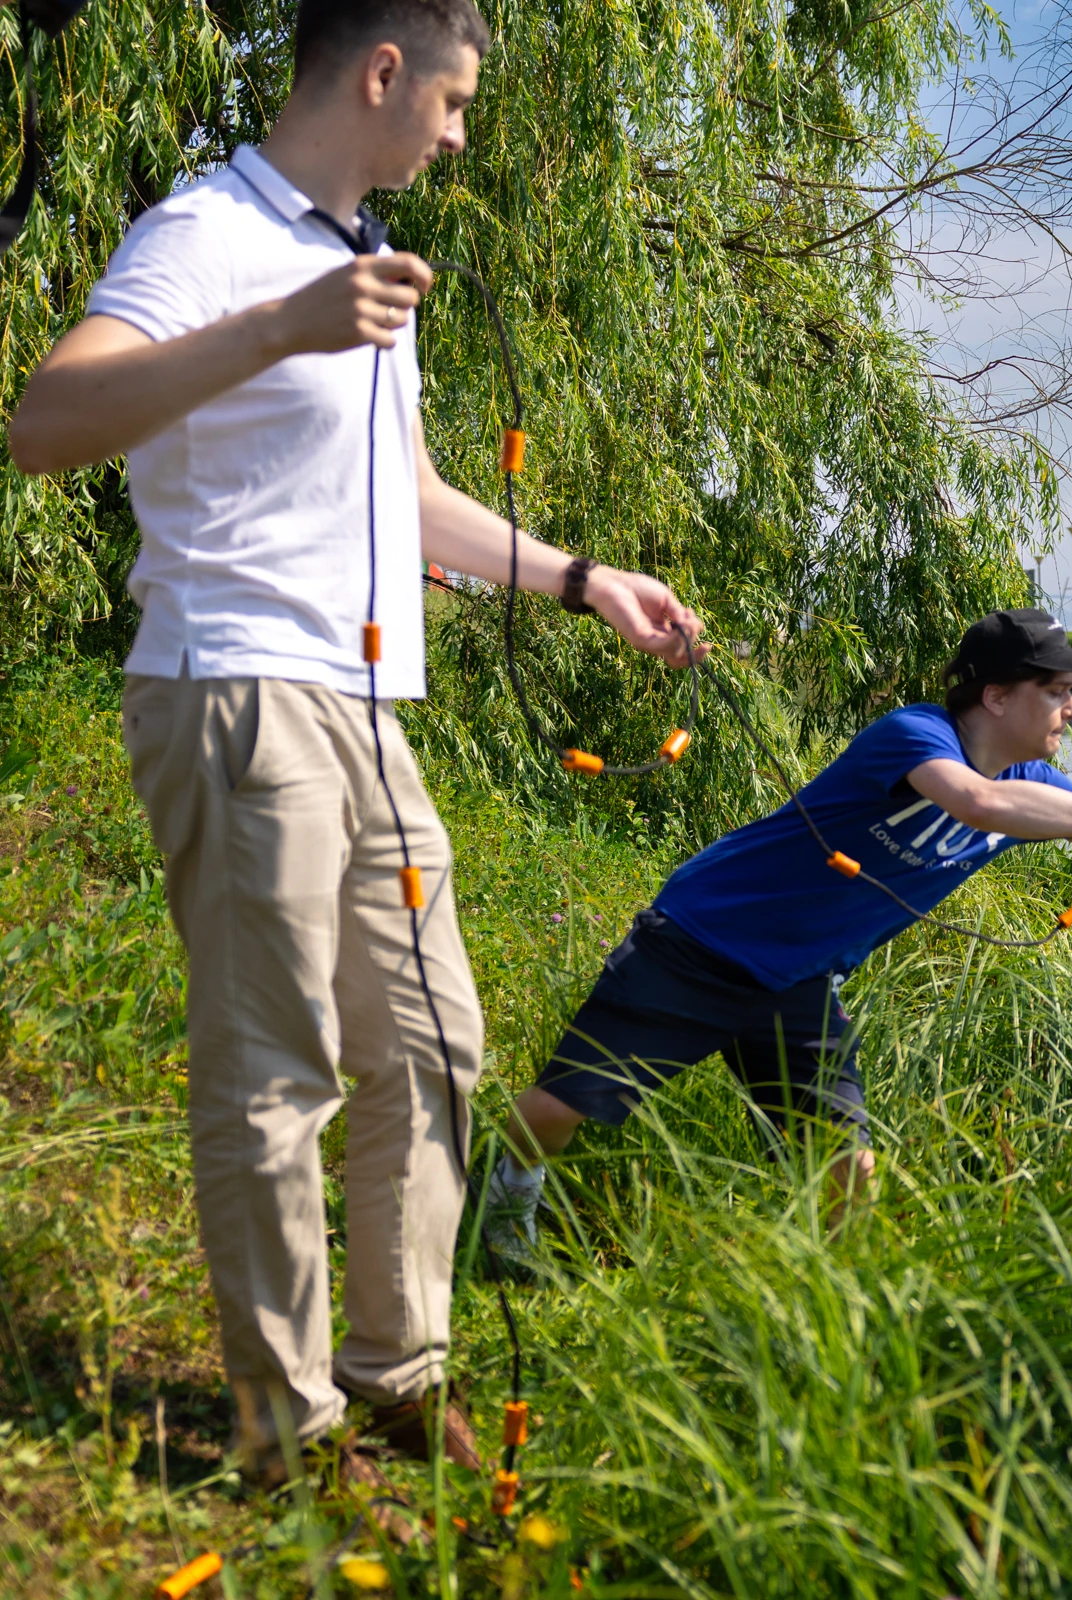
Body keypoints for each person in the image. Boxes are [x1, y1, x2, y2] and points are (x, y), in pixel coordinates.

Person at [6, 0, 706, 1490]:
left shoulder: (345, 260)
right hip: (239, 692)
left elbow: (408, 488)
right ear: (382, 74)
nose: (458, 134)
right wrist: (274, 329)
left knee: (438, 1045)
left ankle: (397, 1366)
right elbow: (48, 421)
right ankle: (287, 1422)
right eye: (451, 101)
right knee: (279, 1070)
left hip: (369, 707)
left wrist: (584, 579)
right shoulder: (211, 232)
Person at [481, 608, 1072, 1253]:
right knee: (562, 1111)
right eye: (1059, 692)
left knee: (845, 1168)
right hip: (700, 943)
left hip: (798, 980)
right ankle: (498, 1202)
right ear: (996, 693)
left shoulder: (1043, 786)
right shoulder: (911, 737)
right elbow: (977, 802)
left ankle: (831, 1295)